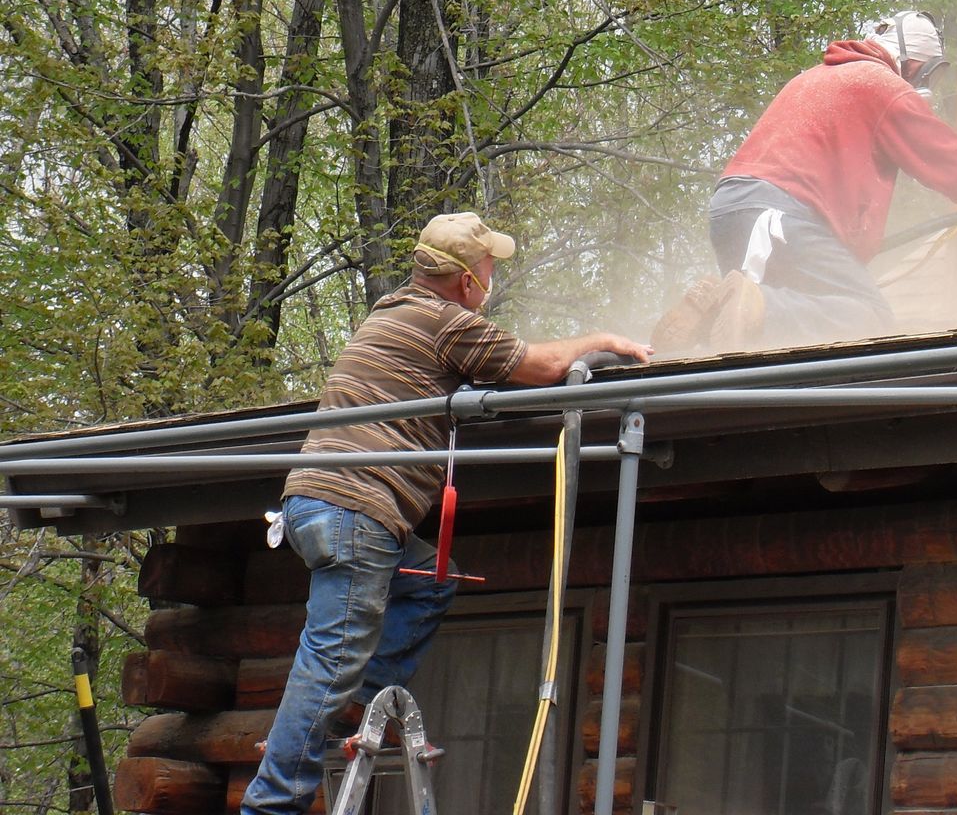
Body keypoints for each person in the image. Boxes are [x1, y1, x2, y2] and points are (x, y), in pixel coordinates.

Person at [241, 212, 653, 815]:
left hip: (316, 503)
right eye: (488, 269)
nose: (491, 281)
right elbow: (541, 368)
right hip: (359, 508)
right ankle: (271, 805)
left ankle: (357, 710)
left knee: (434, 581)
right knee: (330, 660)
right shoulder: (445, 322)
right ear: (465, 280)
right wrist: (602, 340)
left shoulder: (390, 313)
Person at [656, 11, 957, 351]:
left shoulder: (813, 78)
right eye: (931, 76)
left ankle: (705, 319)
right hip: (782, 214)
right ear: (917, 66)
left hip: (733, 211)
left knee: (762, 339)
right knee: (869, 317)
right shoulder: (883, 85)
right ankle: (760, 302)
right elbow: (944, 158)